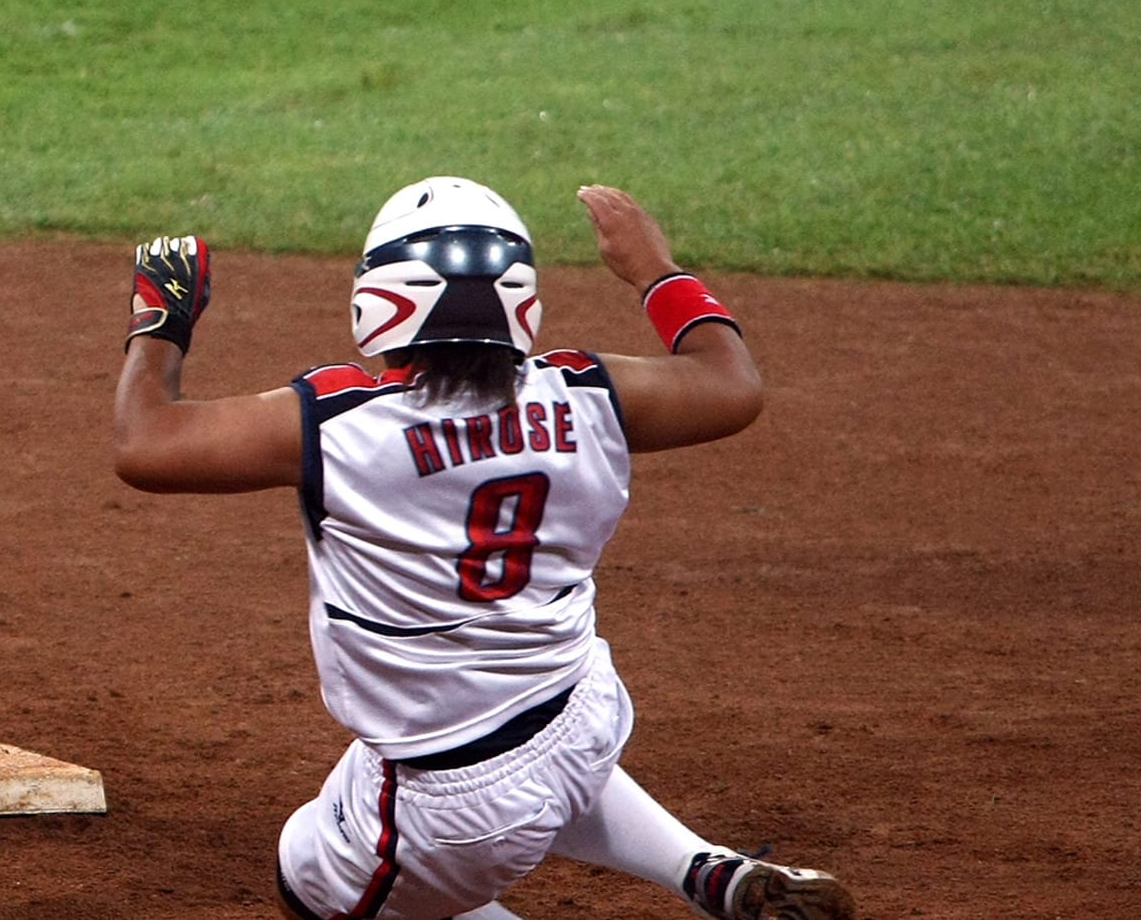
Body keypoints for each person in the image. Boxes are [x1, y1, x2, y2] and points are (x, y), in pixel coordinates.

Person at [111, 179, 856, 920]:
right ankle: (708, 871)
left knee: (310, 878)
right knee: (518, 738)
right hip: (584, 712)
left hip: (452, 803)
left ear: (381, 298)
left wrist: (163, 317)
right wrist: (657, 271)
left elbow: (146, 444)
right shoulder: (590, 394)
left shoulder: (340, 428)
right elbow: (733, 385)